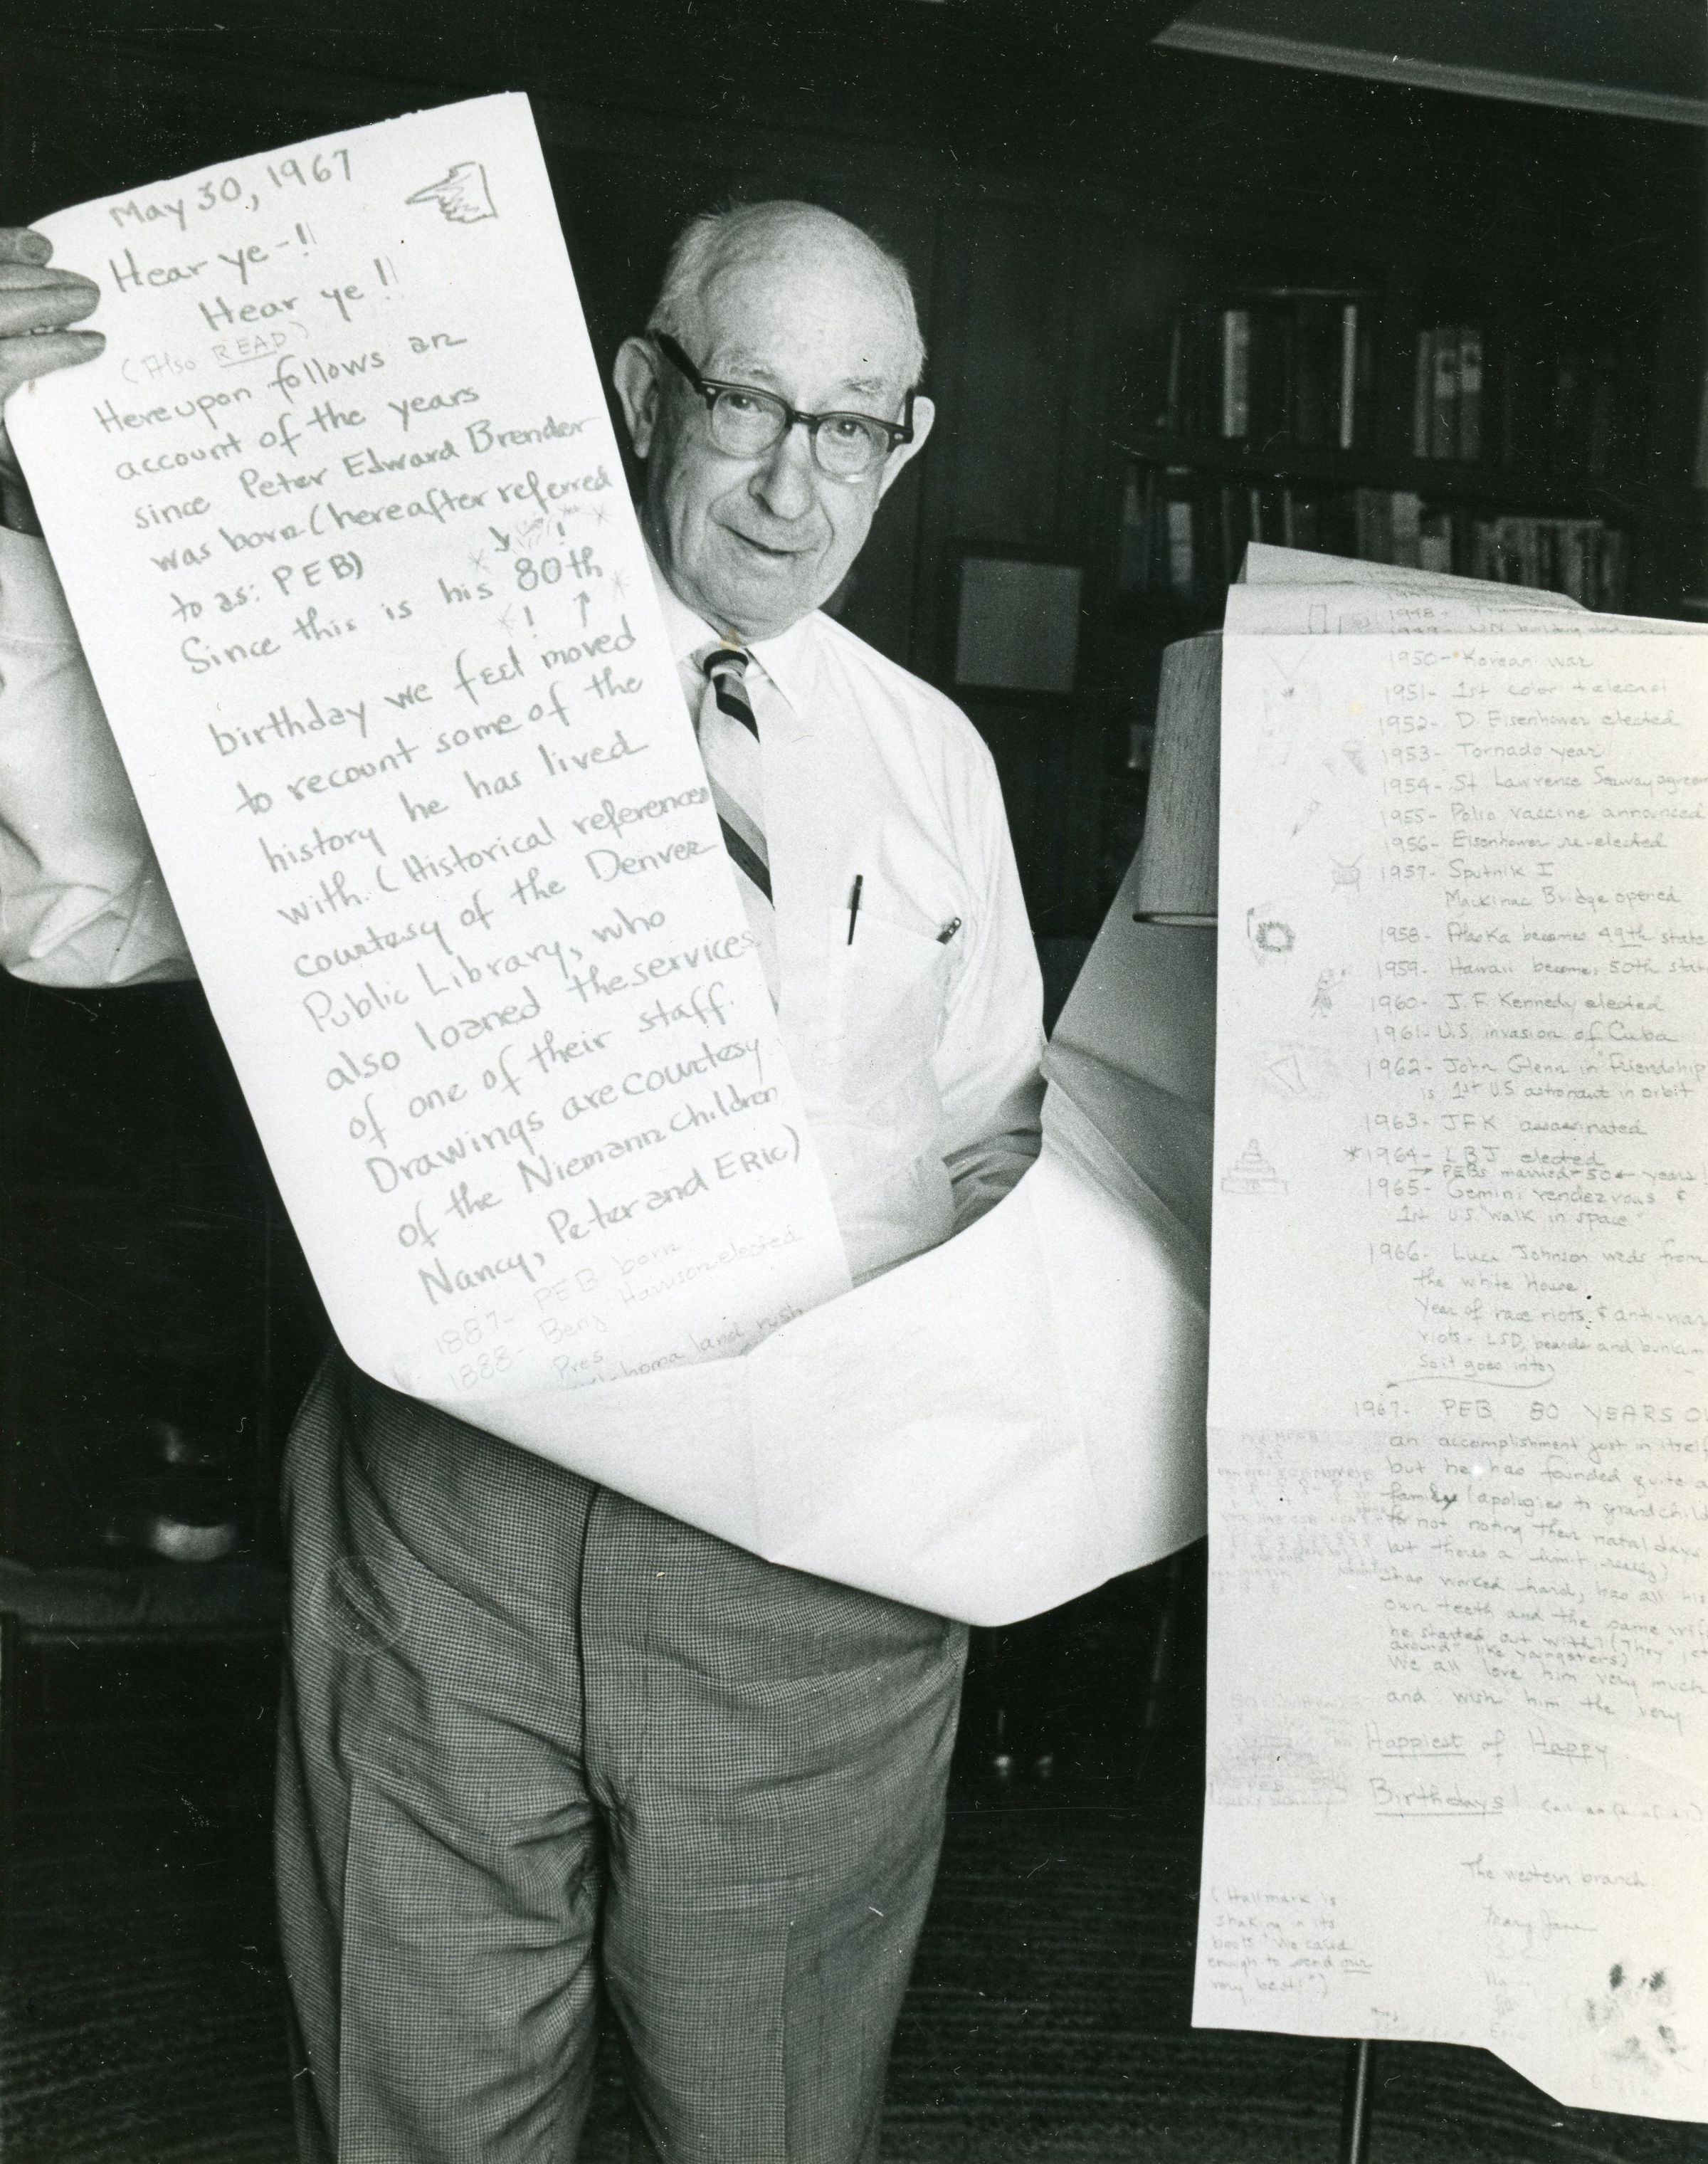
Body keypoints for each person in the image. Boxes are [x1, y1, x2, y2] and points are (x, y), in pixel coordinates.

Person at [0, 199, 1045, 2162]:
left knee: (769, 2127)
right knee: (418, 2108)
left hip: (808, 1570)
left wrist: (949, 1432)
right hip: (450, 1521)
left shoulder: (934, 762)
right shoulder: (412, 662)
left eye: (856, 426)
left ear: (908, 442)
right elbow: (76, 882)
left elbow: (992, 1126)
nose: (797, 484)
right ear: (645, 392)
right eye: (749, 404)